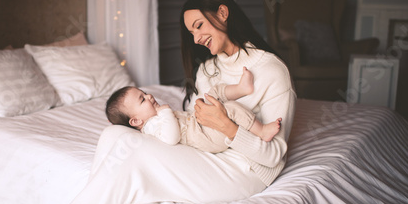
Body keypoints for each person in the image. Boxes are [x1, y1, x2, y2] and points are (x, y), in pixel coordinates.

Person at [0, 0, 296, 204]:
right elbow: (195, 126)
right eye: (190, 32)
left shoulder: (270, 70)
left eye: (199, 26)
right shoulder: (208, 69)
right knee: (115, 135)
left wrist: (228, 128)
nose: (195, 39)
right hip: (207, 152)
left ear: (222, 13)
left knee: (131, 153)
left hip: (245, 170)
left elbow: (273, 156)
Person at [105, 67, 282, 153]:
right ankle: (262, 131)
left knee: (211, 95)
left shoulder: (154, 118)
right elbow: (171, 138)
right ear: (135, 121)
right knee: (230, 110)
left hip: (199, 124)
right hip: (205, 137)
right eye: (142, 99)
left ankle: (242, 88)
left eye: (145, 93)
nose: (149, 96)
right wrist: (165, 112)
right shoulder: (149, 127)